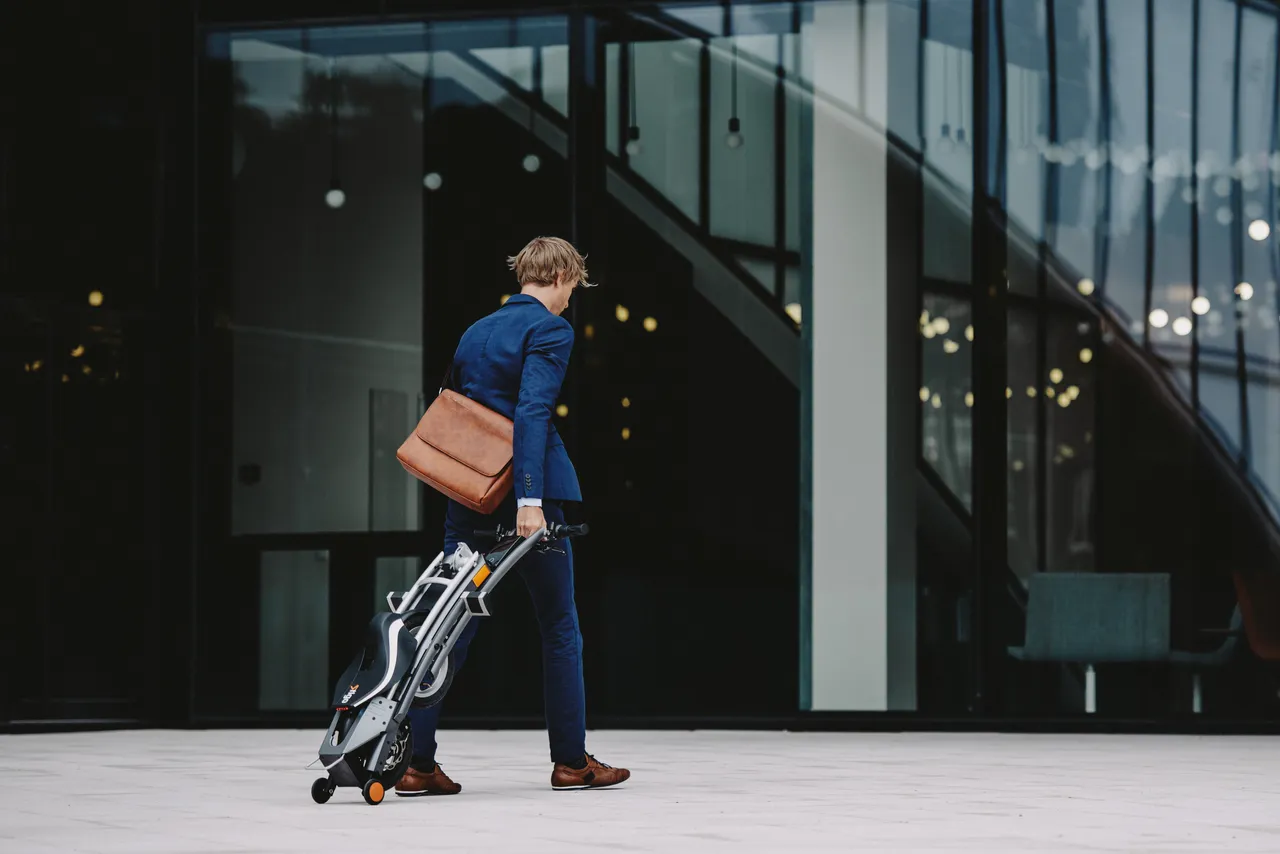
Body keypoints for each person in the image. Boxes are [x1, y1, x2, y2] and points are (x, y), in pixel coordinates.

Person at [397, 236, 631, 796]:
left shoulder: (478, 329)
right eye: (572, 287)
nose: (571, 299)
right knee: (559, 628)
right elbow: (531, 410)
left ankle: (416, 763)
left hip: (469, 492)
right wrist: (529, 500)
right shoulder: (550, 329)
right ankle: (571, 762)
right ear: (559, 277)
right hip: (527, 499)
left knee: (448, 629)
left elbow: (458, 405)